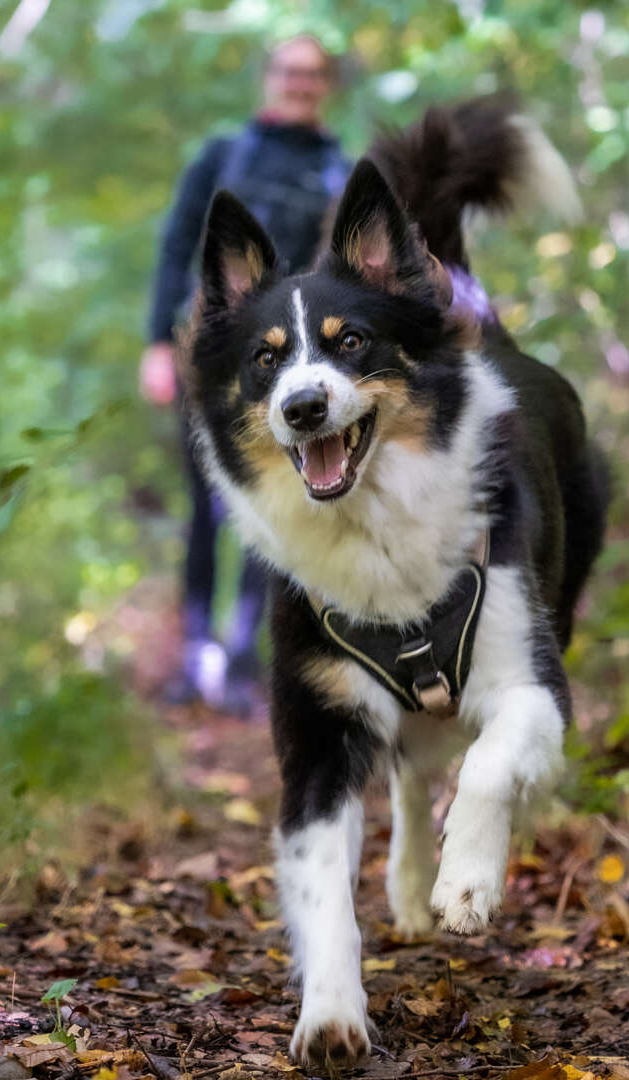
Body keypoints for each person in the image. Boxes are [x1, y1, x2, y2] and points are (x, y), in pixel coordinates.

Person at [142, 34, 349, 715]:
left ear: (327, 84)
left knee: (273, 507)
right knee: (206, 505)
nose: (299, 82)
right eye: (289, 70)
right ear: (270, 77)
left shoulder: (337, 171)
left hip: (288, 373)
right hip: (206, 357)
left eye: (312, 73)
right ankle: (195, 656)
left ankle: (242, 662)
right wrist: (154, 344)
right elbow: (178, 244)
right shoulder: (222, 156)